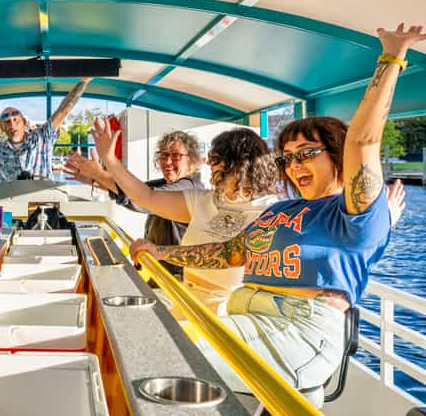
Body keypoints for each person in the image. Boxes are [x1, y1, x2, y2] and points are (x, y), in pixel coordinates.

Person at [123, 23, 424, 394]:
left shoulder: (351, 213)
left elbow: (363, 140)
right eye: (288, 158)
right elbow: (228, 253)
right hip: (249, 317)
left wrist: (392, 58)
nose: (295, 166)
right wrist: (159, 251)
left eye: (308, 154)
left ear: (337, 154)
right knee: (148, 342)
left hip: (299, 332)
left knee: (159, 354)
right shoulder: (280, 210)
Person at [93, 123, 280, 315]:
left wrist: (160, 252)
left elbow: (228, 255)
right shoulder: (206, 200)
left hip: (227, 315)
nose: (211, 168)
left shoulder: (269, 211)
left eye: (217, 163)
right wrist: (110, 160)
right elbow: (146, 197)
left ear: (241, 165)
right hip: (187, 301)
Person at [63, 131, 205, 277]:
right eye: (164, 155)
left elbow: (143, 199)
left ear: (192, 160)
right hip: (160, 272)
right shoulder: (168, 184)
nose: (168, 162)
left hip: (178, 281)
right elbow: (130, 189)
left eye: (176, 156)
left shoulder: (189, 188)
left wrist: (100, 171)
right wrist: (93, 179)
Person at [0, 78, 92, 182]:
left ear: (24, 122)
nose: (12, 124)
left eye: (16, 120)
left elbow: (63, 110)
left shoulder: (42, 138)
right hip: (11, 204)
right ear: (2, 127)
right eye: (7, 121)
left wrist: (84, 81)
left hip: (46, 202)